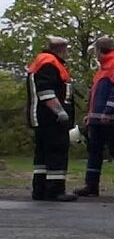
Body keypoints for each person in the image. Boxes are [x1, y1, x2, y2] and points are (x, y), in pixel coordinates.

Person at [75, 37, 114, 198]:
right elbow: (96, 95)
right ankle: (91, 186)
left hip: (111, 119)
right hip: (98, 119)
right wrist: (90, 115)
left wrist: (108, 111)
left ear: (99, 50)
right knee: (94, 152)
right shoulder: (104, 68)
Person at [25, 36, 78, 202]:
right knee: (57, 152)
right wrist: (60, 112)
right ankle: (55, 190)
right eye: (66, 50)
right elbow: (46, 92)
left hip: (41, 118)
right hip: (50, 119)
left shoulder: (42, 62)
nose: (67, 54)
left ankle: (40, 189)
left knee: (42, 155)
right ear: (61, 49)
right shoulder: (49, 64)